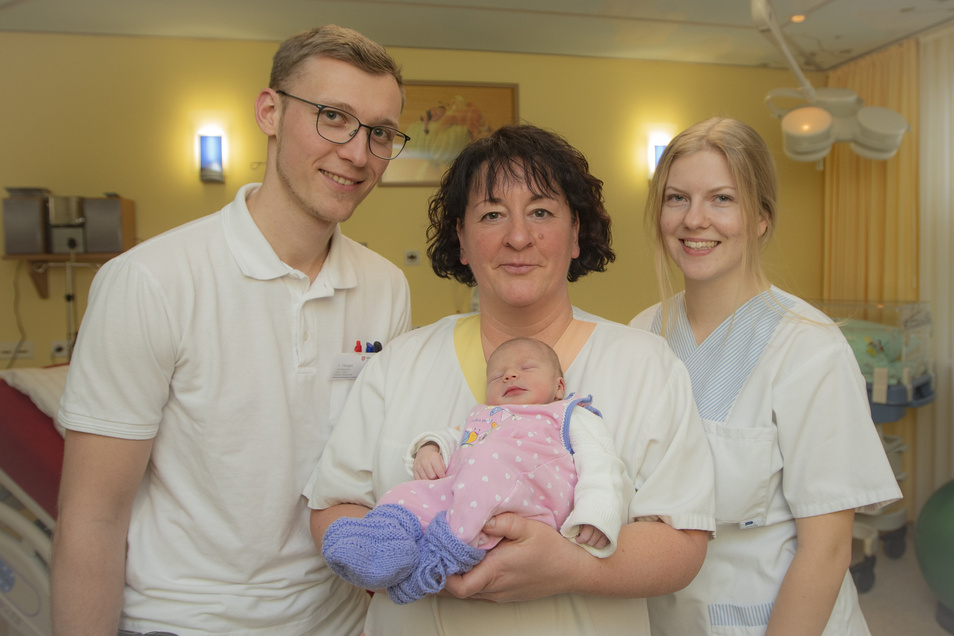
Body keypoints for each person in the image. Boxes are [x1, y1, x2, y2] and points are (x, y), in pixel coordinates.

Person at [51, 25, 412, 635]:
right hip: (186, 620)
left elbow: (374, 482)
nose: (357, 152)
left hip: (339, 623)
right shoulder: (151, 281)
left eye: (379, 133)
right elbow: (92, 517)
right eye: (333, 117)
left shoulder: (385, 289)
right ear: (269, 112)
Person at [304, 124, 716, 635]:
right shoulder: (402, 363)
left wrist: (570, 566)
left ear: (574, 234)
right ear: (461, 239)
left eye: (541, 212)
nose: (518, 236)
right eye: (492, 214)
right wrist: (410, 565)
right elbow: (332, 507)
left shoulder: (644, 365)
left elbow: (682, 545)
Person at [629, 117, 902, 635]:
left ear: (761, 218)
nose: (694, 220)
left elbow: (827, 553)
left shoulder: (809, 348)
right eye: (676, 198)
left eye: (722, 199)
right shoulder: (643, 334)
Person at [321, 337, 631, 605]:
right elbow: (454, 437)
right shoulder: (485, 418)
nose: (509, 375)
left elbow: (601, 463)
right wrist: (430, 448)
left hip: (531, 499)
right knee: (404, 493)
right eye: (497, 375)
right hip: (467, 493)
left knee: (488, 458)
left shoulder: (567, 414)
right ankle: (383, 537)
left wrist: (597, 511)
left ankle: (439, 556)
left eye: (526, 368)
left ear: (559, 386)